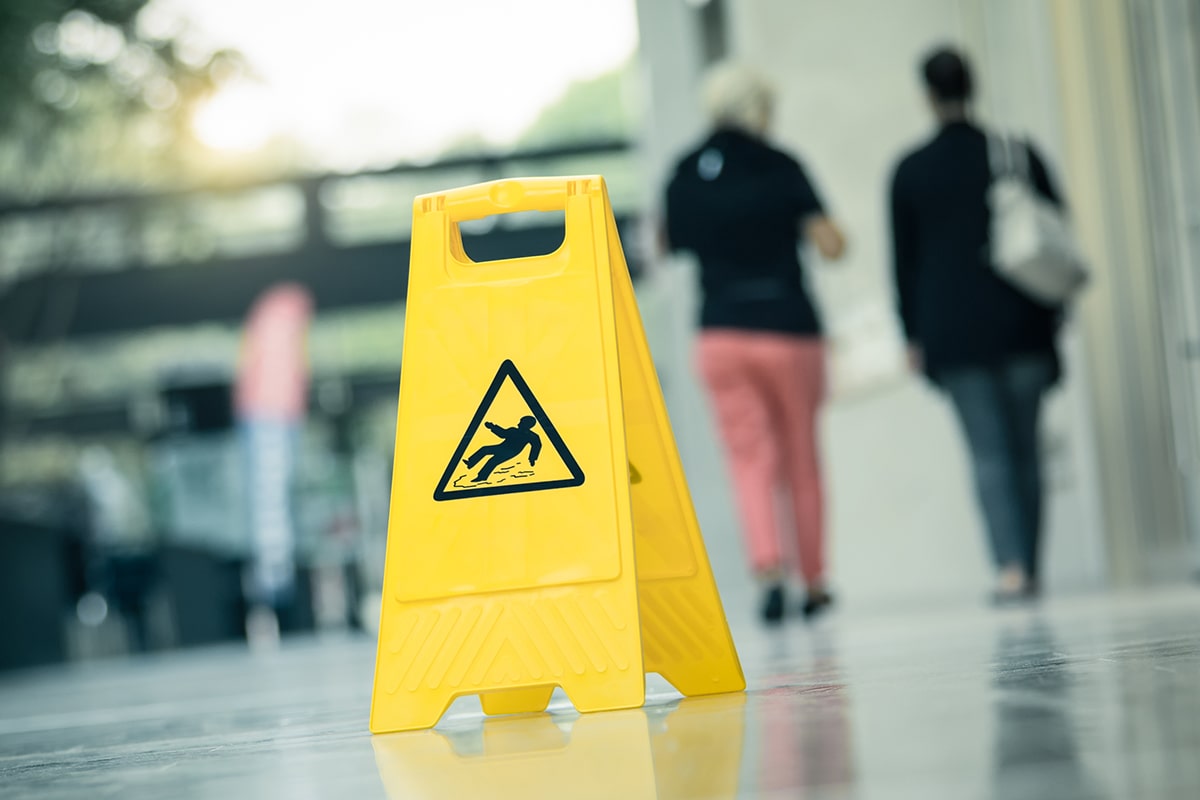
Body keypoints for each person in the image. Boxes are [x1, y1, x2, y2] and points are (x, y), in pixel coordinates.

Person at [664, 61, 847, 624]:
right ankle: (813, 582)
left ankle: (768, 569)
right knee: (800, 457)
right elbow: (830, 243)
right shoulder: (782, 164)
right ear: (759, 110)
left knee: (749, 457)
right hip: (789, 328)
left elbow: (669, 242)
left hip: (721, 332)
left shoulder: (687, 171)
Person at [889, 47, 1066, 603]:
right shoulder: (1016, 154)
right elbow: (1059, 237)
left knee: (989, 454)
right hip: (1024, 325)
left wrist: (911, 335)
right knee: (1026, 451)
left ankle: (1011, 569)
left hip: (955, 336)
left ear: (927, 94)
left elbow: (905, 264)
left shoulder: (911, 171)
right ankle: (1029, 564)